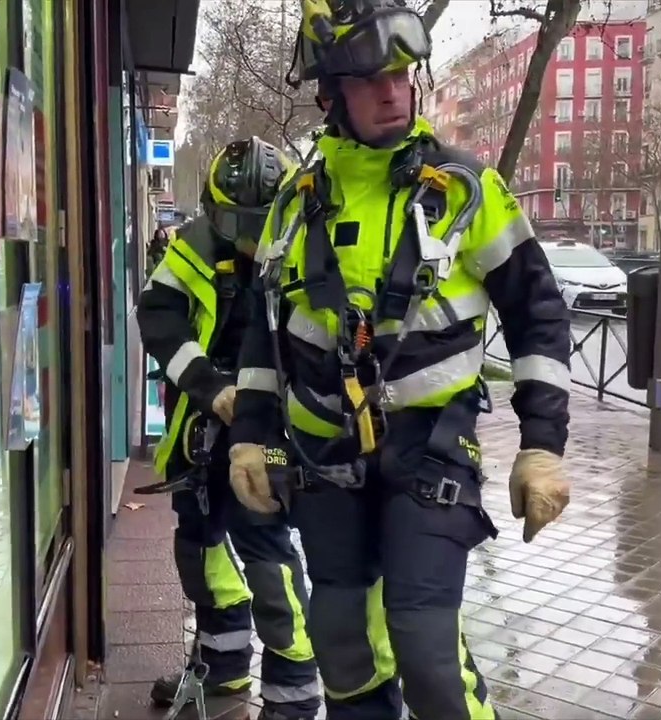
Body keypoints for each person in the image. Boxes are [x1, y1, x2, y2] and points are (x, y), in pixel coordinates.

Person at [226, 2, 572, 718]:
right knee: (340, 638)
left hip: (430, 447)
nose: (392, 92)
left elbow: (538, 312)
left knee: (425, 647)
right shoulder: (295, 203)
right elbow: (263, 334)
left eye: (401, 75)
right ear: (331, 95)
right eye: (368, 79)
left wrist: (542, 447)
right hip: (324, 453)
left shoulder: (465, 191)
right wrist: (250, 437)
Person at [135, 137, 320, 720]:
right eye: (235, 222)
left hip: (269, 436)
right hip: (203, 431)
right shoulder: (190, 248)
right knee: (201, 553)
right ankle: (222, 674)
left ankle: (292, 696)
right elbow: (158, 315)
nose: (248, 237)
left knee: (268, 563)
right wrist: (211, 389)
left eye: (257, 223)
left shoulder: (303, 252)